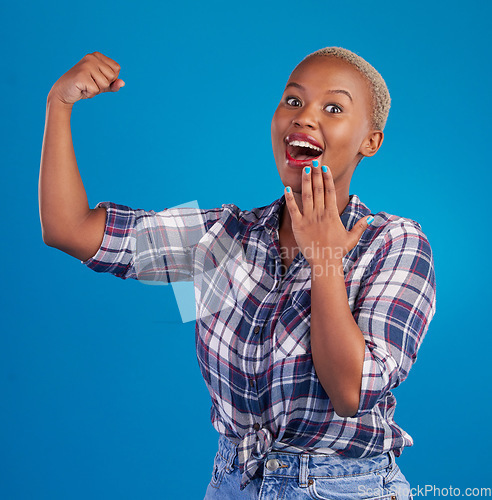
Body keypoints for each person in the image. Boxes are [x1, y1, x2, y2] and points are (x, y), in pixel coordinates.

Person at [39, 47, 436, 499]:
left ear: (371, 141)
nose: (304, 117)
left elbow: (349, 392)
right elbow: (68, 229)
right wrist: (59, 103)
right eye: (293, 101)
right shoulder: (224, 237)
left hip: (347, 488)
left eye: (333, 108)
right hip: (234, 482)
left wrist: (325, 258)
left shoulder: (394, 242)